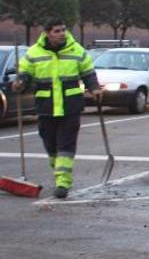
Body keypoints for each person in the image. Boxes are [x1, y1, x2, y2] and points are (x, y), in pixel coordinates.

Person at [12, 18, 102, 199]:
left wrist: (94, 88)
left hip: (71, 107)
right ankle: (59, 172)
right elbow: (25, 75)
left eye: (63, 30)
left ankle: (63, 182)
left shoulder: (77, 50)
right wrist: (19, 83)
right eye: (57, 31)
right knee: (51, 145)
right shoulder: (33, 53)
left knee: (66, 144)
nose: (62, 33)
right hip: (46, 107)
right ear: (47, 33)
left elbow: (88, 73)